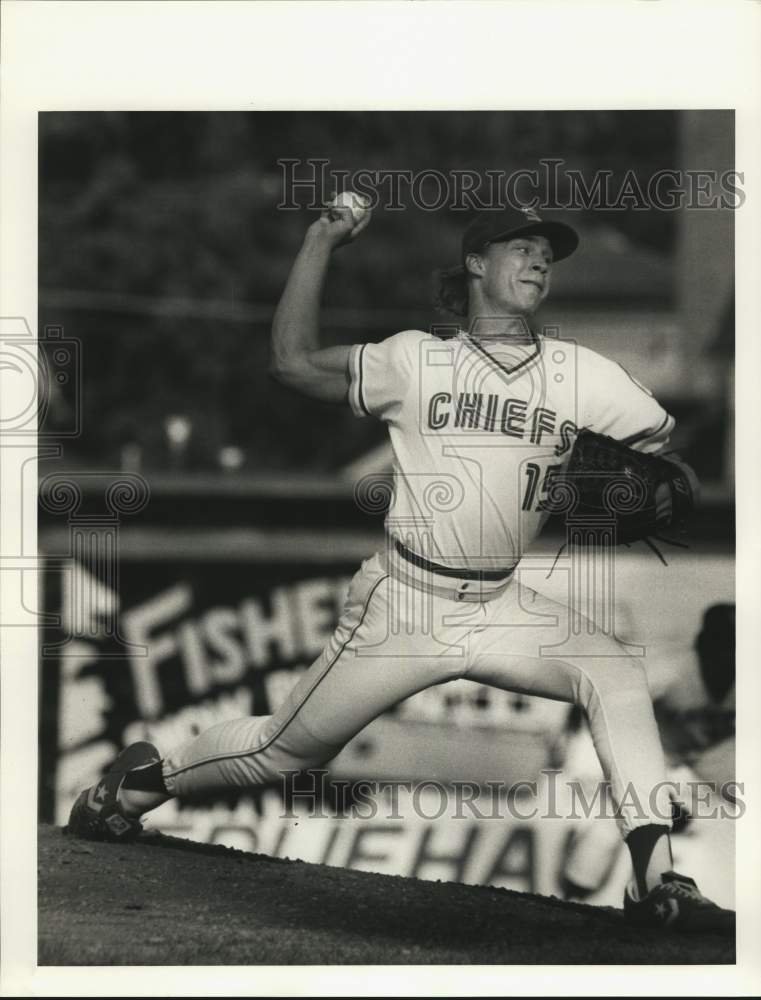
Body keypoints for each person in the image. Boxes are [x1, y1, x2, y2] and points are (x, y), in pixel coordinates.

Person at [68, 200, 733, 933]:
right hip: (405, 603)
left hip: (501, 605)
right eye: (521, 247)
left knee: (614, 672)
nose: (540, 259)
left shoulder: (583, 374)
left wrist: (664, 486)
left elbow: (673, 460)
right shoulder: (415, 360)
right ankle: (134, 788)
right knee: (282, 753)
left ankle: (656, 880)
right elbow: (291, 362)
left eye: (547, 252)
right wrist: (320, 241)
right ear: (476, 263)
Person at [560, 603, 736, 901]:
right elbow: (597, 693)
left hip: (708, 754)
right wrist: (583, 750)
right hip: (650, 750)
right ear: (704, 642)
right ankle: (567, 899)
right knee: (612, 823)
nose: (730, 652)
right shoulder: (668, 669)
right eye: (725, 641)